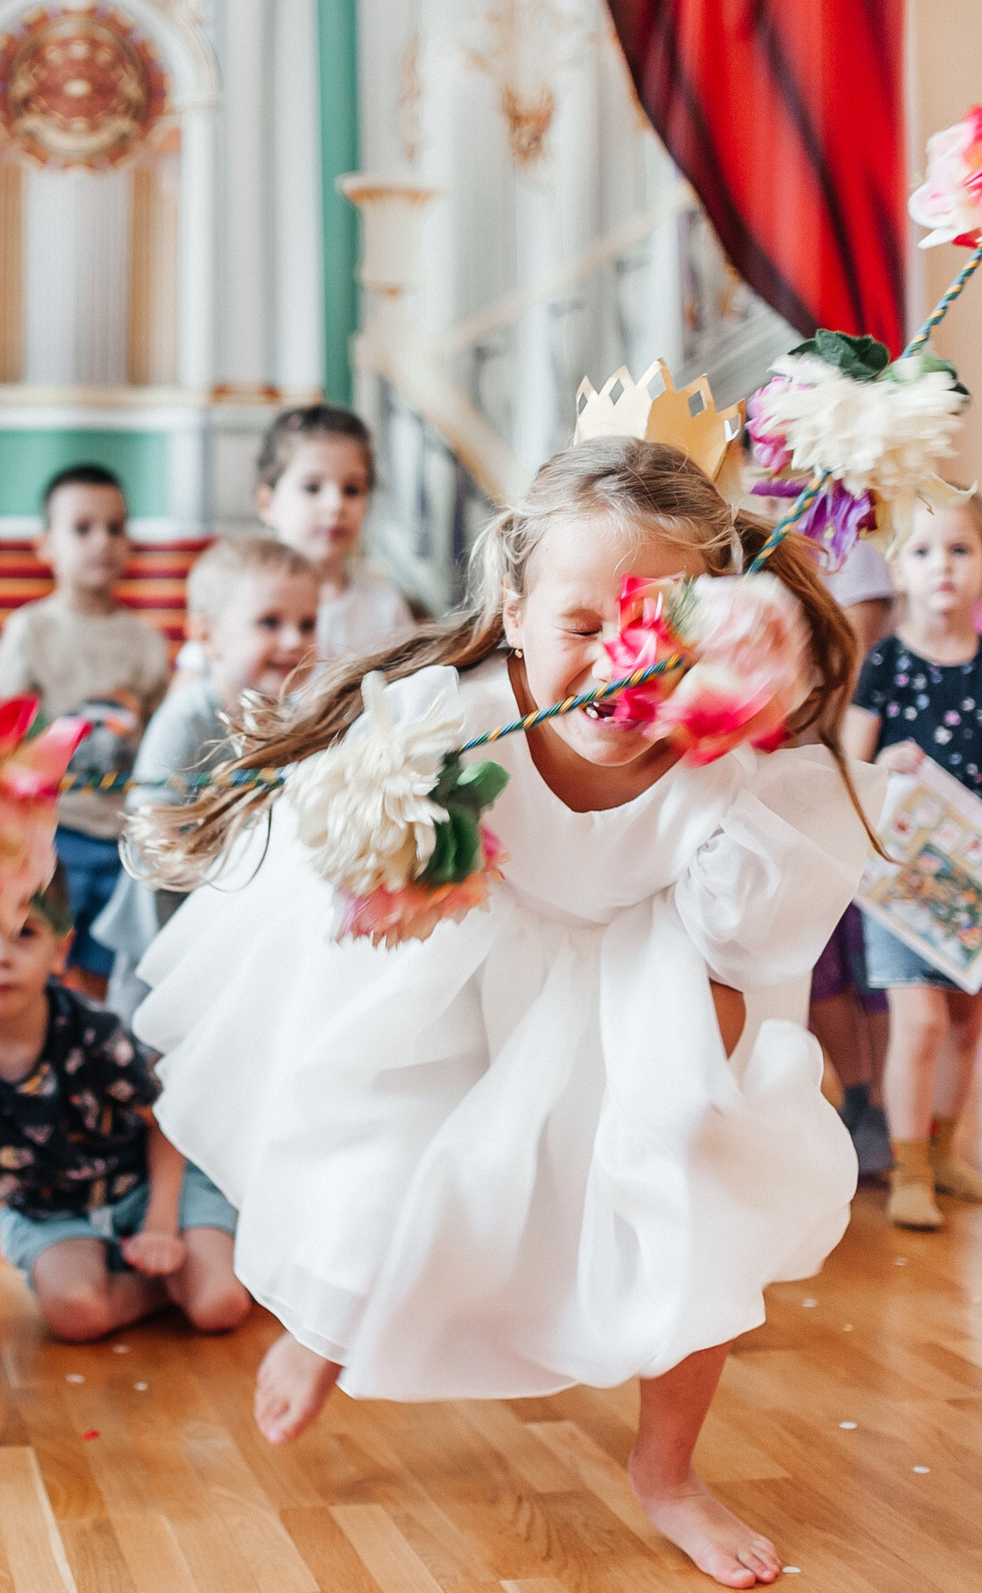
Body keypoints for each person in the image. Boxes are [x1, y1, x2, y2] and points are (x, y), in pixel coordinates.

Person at [132, 436, 875, 1589]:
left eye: (664, 623)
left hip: (640, 965)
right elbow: (360, 897)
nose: (624, 657)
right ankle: (329, 1322)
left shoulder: (733, 763)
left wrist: (683, 1089)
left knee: (699, 1166)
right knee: (388, 1149)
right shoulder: (451, 722)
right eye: (585, 624)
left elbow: (736, 960)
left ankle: (667, 1471)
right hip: (458, 952)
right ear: (515, 614)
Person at [0, 879, 250, 1352]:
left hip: (151, 1185)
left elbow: (163, 1121)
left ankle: (167, 1268)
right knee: (76, 1315)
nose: (0, 957)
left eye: (24, 933)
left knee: (220, 1305)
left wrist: (160, 1225)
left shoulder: (92, 1029)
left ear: (60, 950)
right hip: (52, 1212)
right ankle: (157, 1283)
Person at [841, 497, 982, 1231]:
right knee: (921, 1023)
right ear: (899, 566)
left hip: (980, 876)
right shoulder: (885, 664)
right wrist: (882, 766)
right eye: (923, 551)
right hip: (903, 877)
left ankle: (944, 1151)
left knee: (965, 1024)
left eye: (961, 550)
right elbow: (846, 767)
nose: (943, 567)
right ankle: (909, 1169)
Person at [95, 535, 321, 1016]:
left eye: (307, 624)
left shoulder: (297, 722)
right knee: (149, 1031)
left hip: (241, 926)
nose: (294, 641)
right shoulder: (187, 718)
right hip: (166, 928)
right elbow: (149, 824)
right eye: (270, 622)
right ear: (206, 635)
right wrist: (218, 878)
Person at [0, 465, 173, 999]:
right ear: (46, 545)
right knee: (37, 958)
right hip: (52, 833)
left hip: (122, 836)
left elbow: (161, 735)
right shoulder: (31, 630)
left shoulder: (145, 642)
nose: (103, 542)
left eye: (116, 528)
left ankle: (94, 1043)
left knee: (103, 969)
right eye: (83, 528)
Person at [253, 405, 413, 660]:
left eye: (352, 490)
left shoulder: (385, 606)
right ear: (267, 503)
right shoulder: (244, 597)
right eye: (312, 488)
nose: (335, 505)